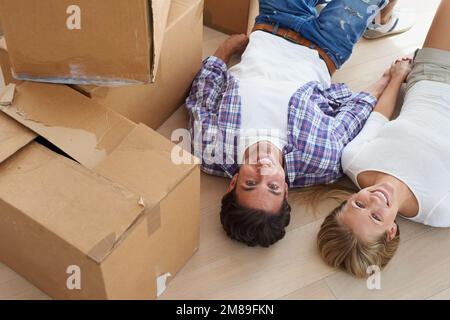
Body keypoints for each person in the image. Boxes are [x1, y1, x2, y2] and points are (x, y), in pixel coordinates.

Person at [186, 0, 400, 247]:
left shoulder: (210, 148)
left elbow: (203, 93)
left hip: (275, 21)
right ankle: (383, 17)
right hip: (326, 45)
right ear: (286, 190)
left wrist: (225, 50)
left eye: (251, 183)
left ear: (233, 183)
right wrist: (388, 79)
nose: (263, 170)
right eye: (273, 187)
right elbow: (354, 113)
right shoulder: (321, 160)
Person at [317, 0, 450, 278]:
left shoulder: (356, 161)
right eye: (376, 217)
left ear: (346, 201)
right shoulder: (439, 209)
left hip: (433, 74)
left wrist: (397, 77)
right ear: (391, 231)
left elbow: (380, 115)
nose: (375, 201)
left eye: (359, 205)